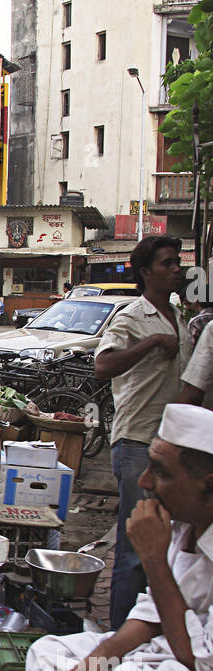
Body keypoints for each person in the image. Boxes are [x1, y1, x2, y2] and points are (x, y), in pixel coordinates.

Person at [25, 404, 213, 671]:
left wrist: (154, 561)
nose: (143, 482)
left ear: (208, 485)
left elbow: (201, 663)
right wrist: (100, 659)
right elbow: (153, 613)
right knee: (46, 660)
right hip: (168, 660)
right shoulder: (183, 524)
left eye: (160, 472)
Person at [95, 235, 190, 631]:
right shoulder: (133, 316)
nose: (175, 270)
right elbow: (104, 365)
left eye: (176, 263)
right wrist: (151, 342)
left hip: (167, 443)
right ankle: (119, 639)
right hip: (136, 442)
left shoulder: (179, 315)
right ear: (146, 271)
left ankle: (145, 635)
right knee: (133, 551)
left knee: (159, 548)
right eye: (167, 263)